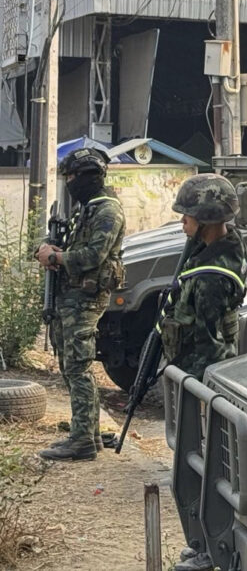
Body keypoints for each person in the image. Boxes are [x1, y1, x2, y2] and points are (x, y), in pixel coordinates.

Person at [160, 174, 247, 571]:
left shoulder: (214, 274)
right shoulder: (211, 249)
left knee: (209, 471)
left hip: (205, 383)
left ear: (207, 218)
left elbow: (211, 346)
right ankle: (203, 543)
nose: (183, 224)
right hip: (196, 379)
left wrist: (189, 382)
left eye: (188, 217)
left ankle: (212, 549)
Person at [35, 147, 125, 462]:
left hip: (86, 297)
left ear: (90, 177)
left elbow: (93, 256)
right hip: (71, 295)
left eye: (73, 177)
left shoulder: (107, 211)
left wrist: (56, 258)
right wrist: (49, 248)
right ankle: (86, 431)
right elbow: (74, 244)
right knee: (70, 364)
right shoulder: (86, 208)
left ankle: (82, 440)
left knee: (78, 366)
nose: (70, 182)